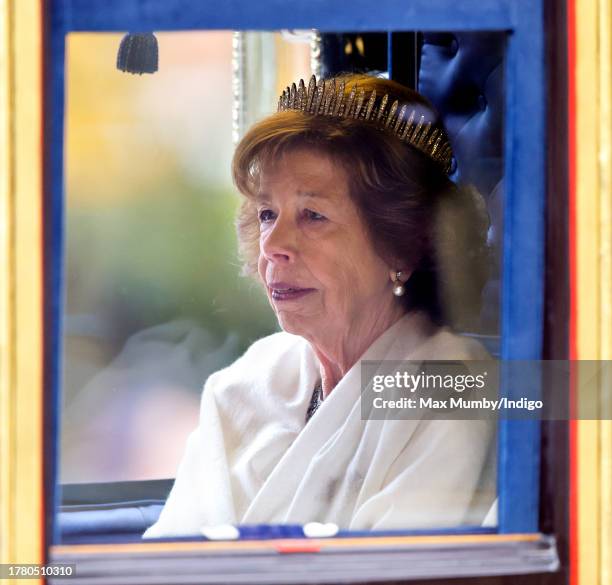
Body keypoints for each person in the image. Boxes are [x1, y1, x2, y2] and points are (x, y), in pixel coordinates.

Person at [143, 73, 495, 538]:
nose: (273, 244)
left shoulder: (451, 385)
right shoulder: (249, 380)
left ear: (403, 246)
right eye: (268, 214)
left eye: (313, 216)